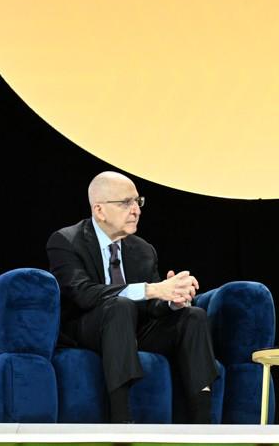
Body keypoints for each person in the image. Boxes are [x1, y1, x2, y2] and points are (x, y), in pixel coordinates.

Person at [46, 171, 217, 423]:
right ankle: (121, 421)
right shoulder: (66, 241)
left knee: (193, 316)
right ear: (99, 210)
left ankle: (203, 424)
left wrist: (171, 300)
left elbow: (151, 308)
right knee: (119, 306)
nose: (136, 210)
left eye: (138, 201)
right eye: (126, 203)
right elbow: (81, 293)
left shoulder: (143, 250)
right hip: (88, 330)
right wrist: (151, 289)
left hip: (134, 330)